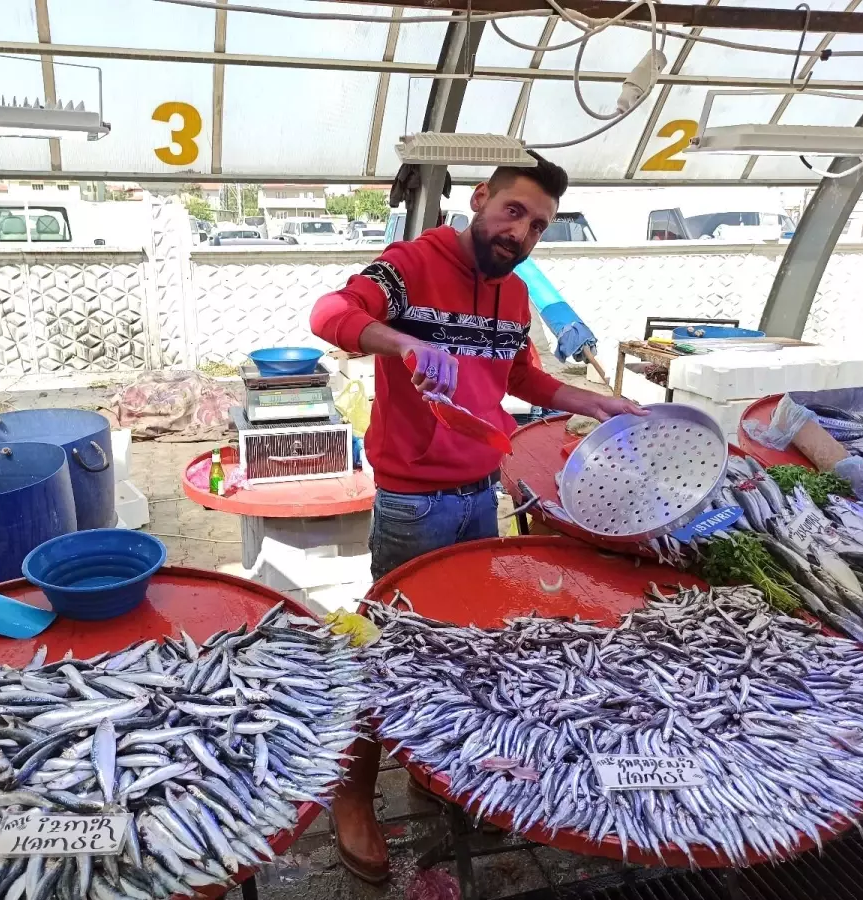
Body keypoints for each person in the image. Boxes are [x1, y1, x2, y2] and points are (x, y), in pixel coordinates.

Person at [309, 151, 646, 882]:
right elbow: (332, 314)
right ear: (481, 198)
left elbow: (518, 374)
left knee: (465, 647)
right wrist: (402, 341)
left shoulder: (515, 294)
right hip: (412, 501)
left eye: (539, 226)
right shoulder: (410, 264)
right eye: (514, 212)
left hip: (477, 498)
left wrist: (597, 402)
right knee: (386, 644)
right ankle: (353, 796)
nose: (521, 232)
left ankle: (431, 767)